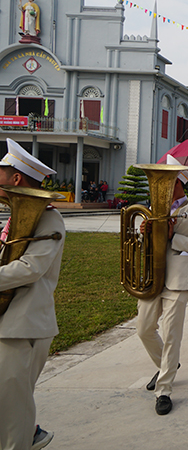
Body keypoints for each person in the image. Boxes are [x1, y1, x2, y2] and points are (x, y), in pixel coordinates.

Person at [136, 155, 188, 415]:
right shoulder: (154, 208)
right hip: (151, 278)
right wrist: (144, 234)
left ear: (178, 181)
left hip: (177, 280)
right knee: (143, 329)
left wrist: (174, 237)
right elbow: (144, 246)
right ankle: (168, 364)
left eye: (167, 180)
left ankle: (164, 389)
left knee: (171, 335)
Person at [0, 138, 61, 450]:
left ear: (16, 179)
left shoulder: (48, 217)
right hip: (7, 321)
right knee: (8, 406)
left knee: (13, 416)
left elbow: (30, 269)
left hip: (23, 325)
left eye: (1, 171)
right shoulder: (13, 217)